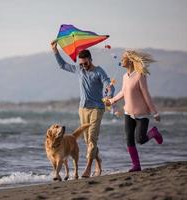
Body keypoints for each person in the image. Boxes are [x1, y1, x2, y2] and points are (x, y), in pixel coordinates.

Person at [51, 40, 115, 177]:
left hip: (97, 108)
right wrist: (55, 50)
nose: (83, 66)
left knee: (92, 139)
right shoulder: (79, 70)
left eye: (85, 63)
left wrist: (109, 96)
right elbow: (62, 65)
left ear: (90, 60)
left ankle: (88, 169)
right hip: (83, 109)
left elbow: (109, 84)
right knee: (87, 141)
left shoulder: (99, 71)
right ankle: (98, 161)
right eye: (81, 63)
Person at [105, 50, 163, 172]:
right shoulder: (125, 76)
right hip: (128, 113)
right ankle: (136, 165)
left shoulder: (140, 75)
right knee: (128, 139)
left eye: (123, 58)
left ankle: (153, 132)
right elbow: (123, 92)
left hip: (142, 114)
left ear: (130, 60)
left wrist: (154, 112)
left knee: (140, 140)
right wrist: (111, 101)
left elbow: (146, 94)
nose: (121, 61)